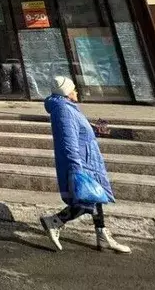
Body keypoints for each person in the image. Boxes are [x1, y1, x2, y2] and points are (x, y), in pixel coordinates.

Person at [40, 76, 131, 254]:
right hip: (81, 162)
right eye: (73, 89)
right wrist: (76, 168)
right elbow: (69, 141)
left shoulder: (68, 108)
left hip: (88, 160)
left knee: (95, 198)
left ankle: (101, 234)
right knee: (87, 198)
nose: (77, 92)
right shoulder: (63, 110)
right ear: (66, 92)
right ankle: (55, 221)